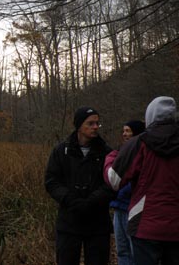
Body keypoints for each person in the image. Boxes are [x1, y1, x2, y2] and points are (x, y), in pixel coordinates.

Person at [104, 96, 179, 265]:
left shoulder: (138, 143)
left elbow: (114, 180)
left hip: (145, 224)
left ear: (149, 117)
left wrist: (111, 158)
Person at [45, 106, 115, 265]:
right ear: (79, 126)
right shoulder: (61, 151)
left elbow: (112, 183)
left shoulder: (106, 152)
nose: (95, 127)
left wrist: (92, 200)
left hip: (98, 223)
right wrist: (70, 199)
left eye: (97, 123)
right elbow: (51, 181)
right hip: (69, 222)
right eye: (90, 123)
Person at [105, 120, 145, 265]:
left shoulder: (143, 153)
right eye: (123, 131)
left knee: (135, 251)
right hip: (118, 209)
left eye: (128, 131)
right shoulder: (121, 152)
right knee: (122, 250)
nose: (124, 134)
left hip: (134, 210)